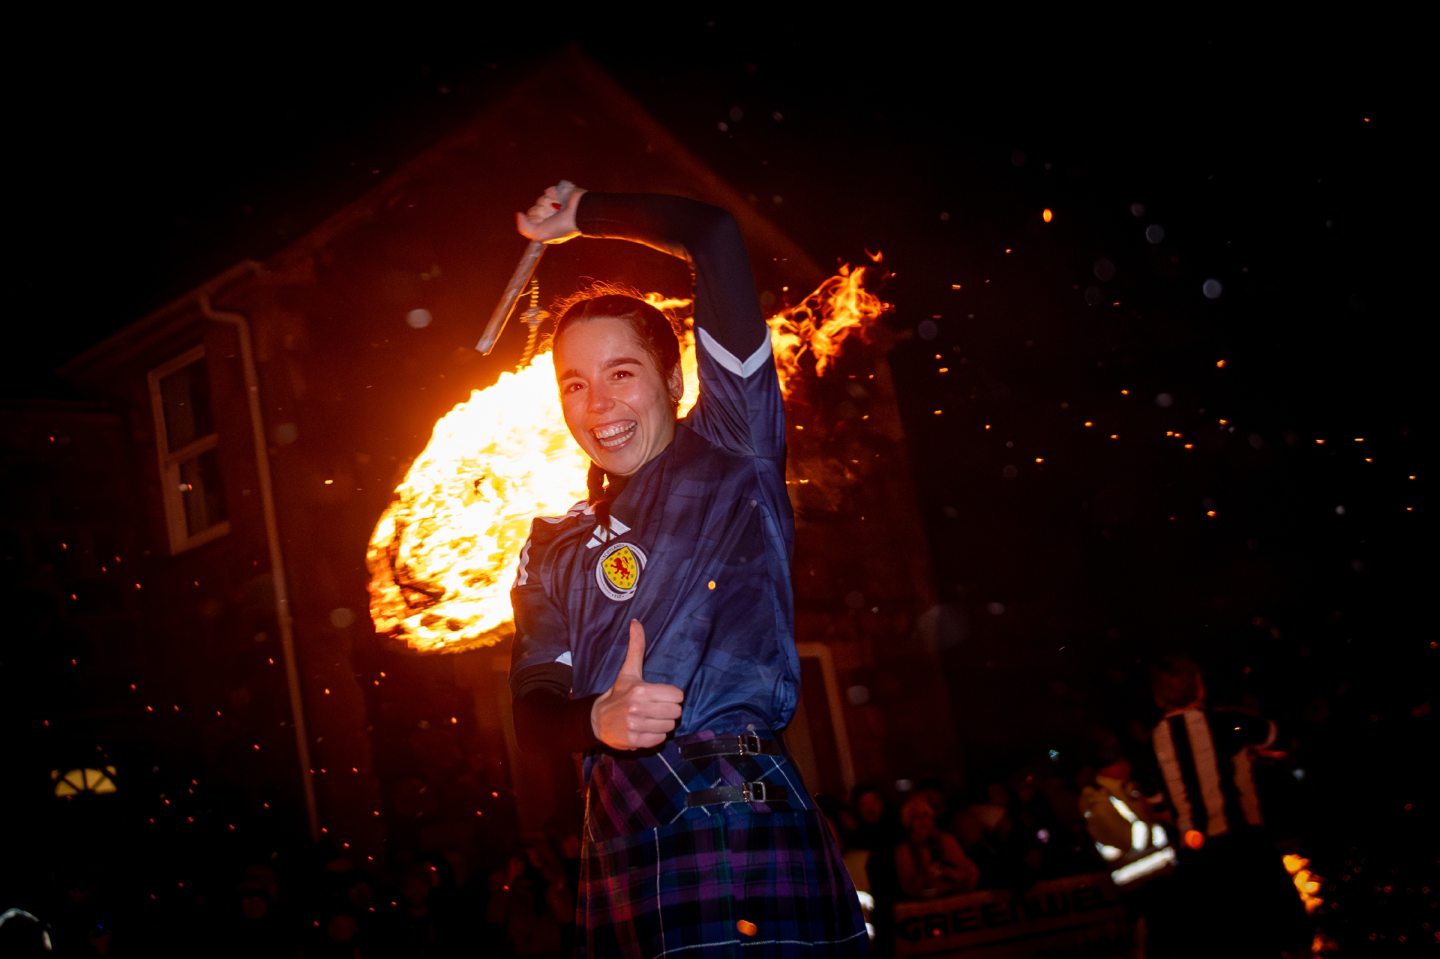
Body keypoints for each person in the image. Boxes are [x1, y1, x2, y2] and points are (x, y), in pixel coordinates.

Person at [507, 184, 869, 957]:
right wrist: (594, 721)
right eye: (574, 382)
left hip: (731, 808)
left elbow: (714, 236)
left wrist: (583, 217)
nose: (596, 402)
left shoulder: (731, 448)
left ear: (673, 381)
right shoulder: (550, 543)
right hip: (614, 829)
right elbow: (532, 707)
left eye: (622, 372)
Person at [1147, 656, 1309, 959]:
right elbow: (1279, 737)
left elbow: (1155, 801)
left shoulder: (1153, 741)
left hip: (1199, 859)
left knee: (1227, 941)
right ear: (1199, 687)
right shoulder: (1227, 722)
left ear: (1158, 697)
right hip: (1245, 844)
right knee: (1279, 933)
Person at [893, 795, 980, 900]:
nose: (922, 821)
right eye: (916, 816)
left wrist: (960, 874)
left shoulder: (946, 840)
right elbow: (909, 888)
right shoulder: (904, 850)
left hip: (956, 898)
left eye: (925, 815)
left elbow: (965, 871)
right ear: (908, 822)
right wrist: (926, 875)